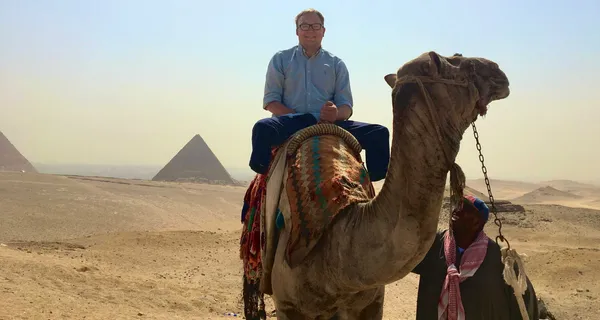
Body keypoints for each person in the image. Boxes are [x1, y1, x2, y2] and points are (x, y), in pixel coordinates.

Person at [249, 8, 390, 181]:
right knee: (262, 128)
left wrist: (336, 114)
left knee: (379, 133)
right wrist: (294, 116)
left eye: (316, 26)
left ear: (323, 31)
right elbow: (271, 101)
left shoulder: (336, 64)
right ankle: (266, 183)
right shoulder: (281, 59)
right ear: (297, 31)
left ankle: (375, 188)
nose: (310, 30)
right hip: (293, 121)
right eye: (305, 26)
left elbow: (346, 106)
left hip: (329, 124)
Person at [412, 195, 540, 320]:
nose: (456, 209)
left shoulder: (499, 259)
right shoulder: (433, 245)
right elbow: (400, 261)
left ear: (476, 223)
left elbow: (524, 302)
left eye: (464, 208)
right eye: (457, 205)